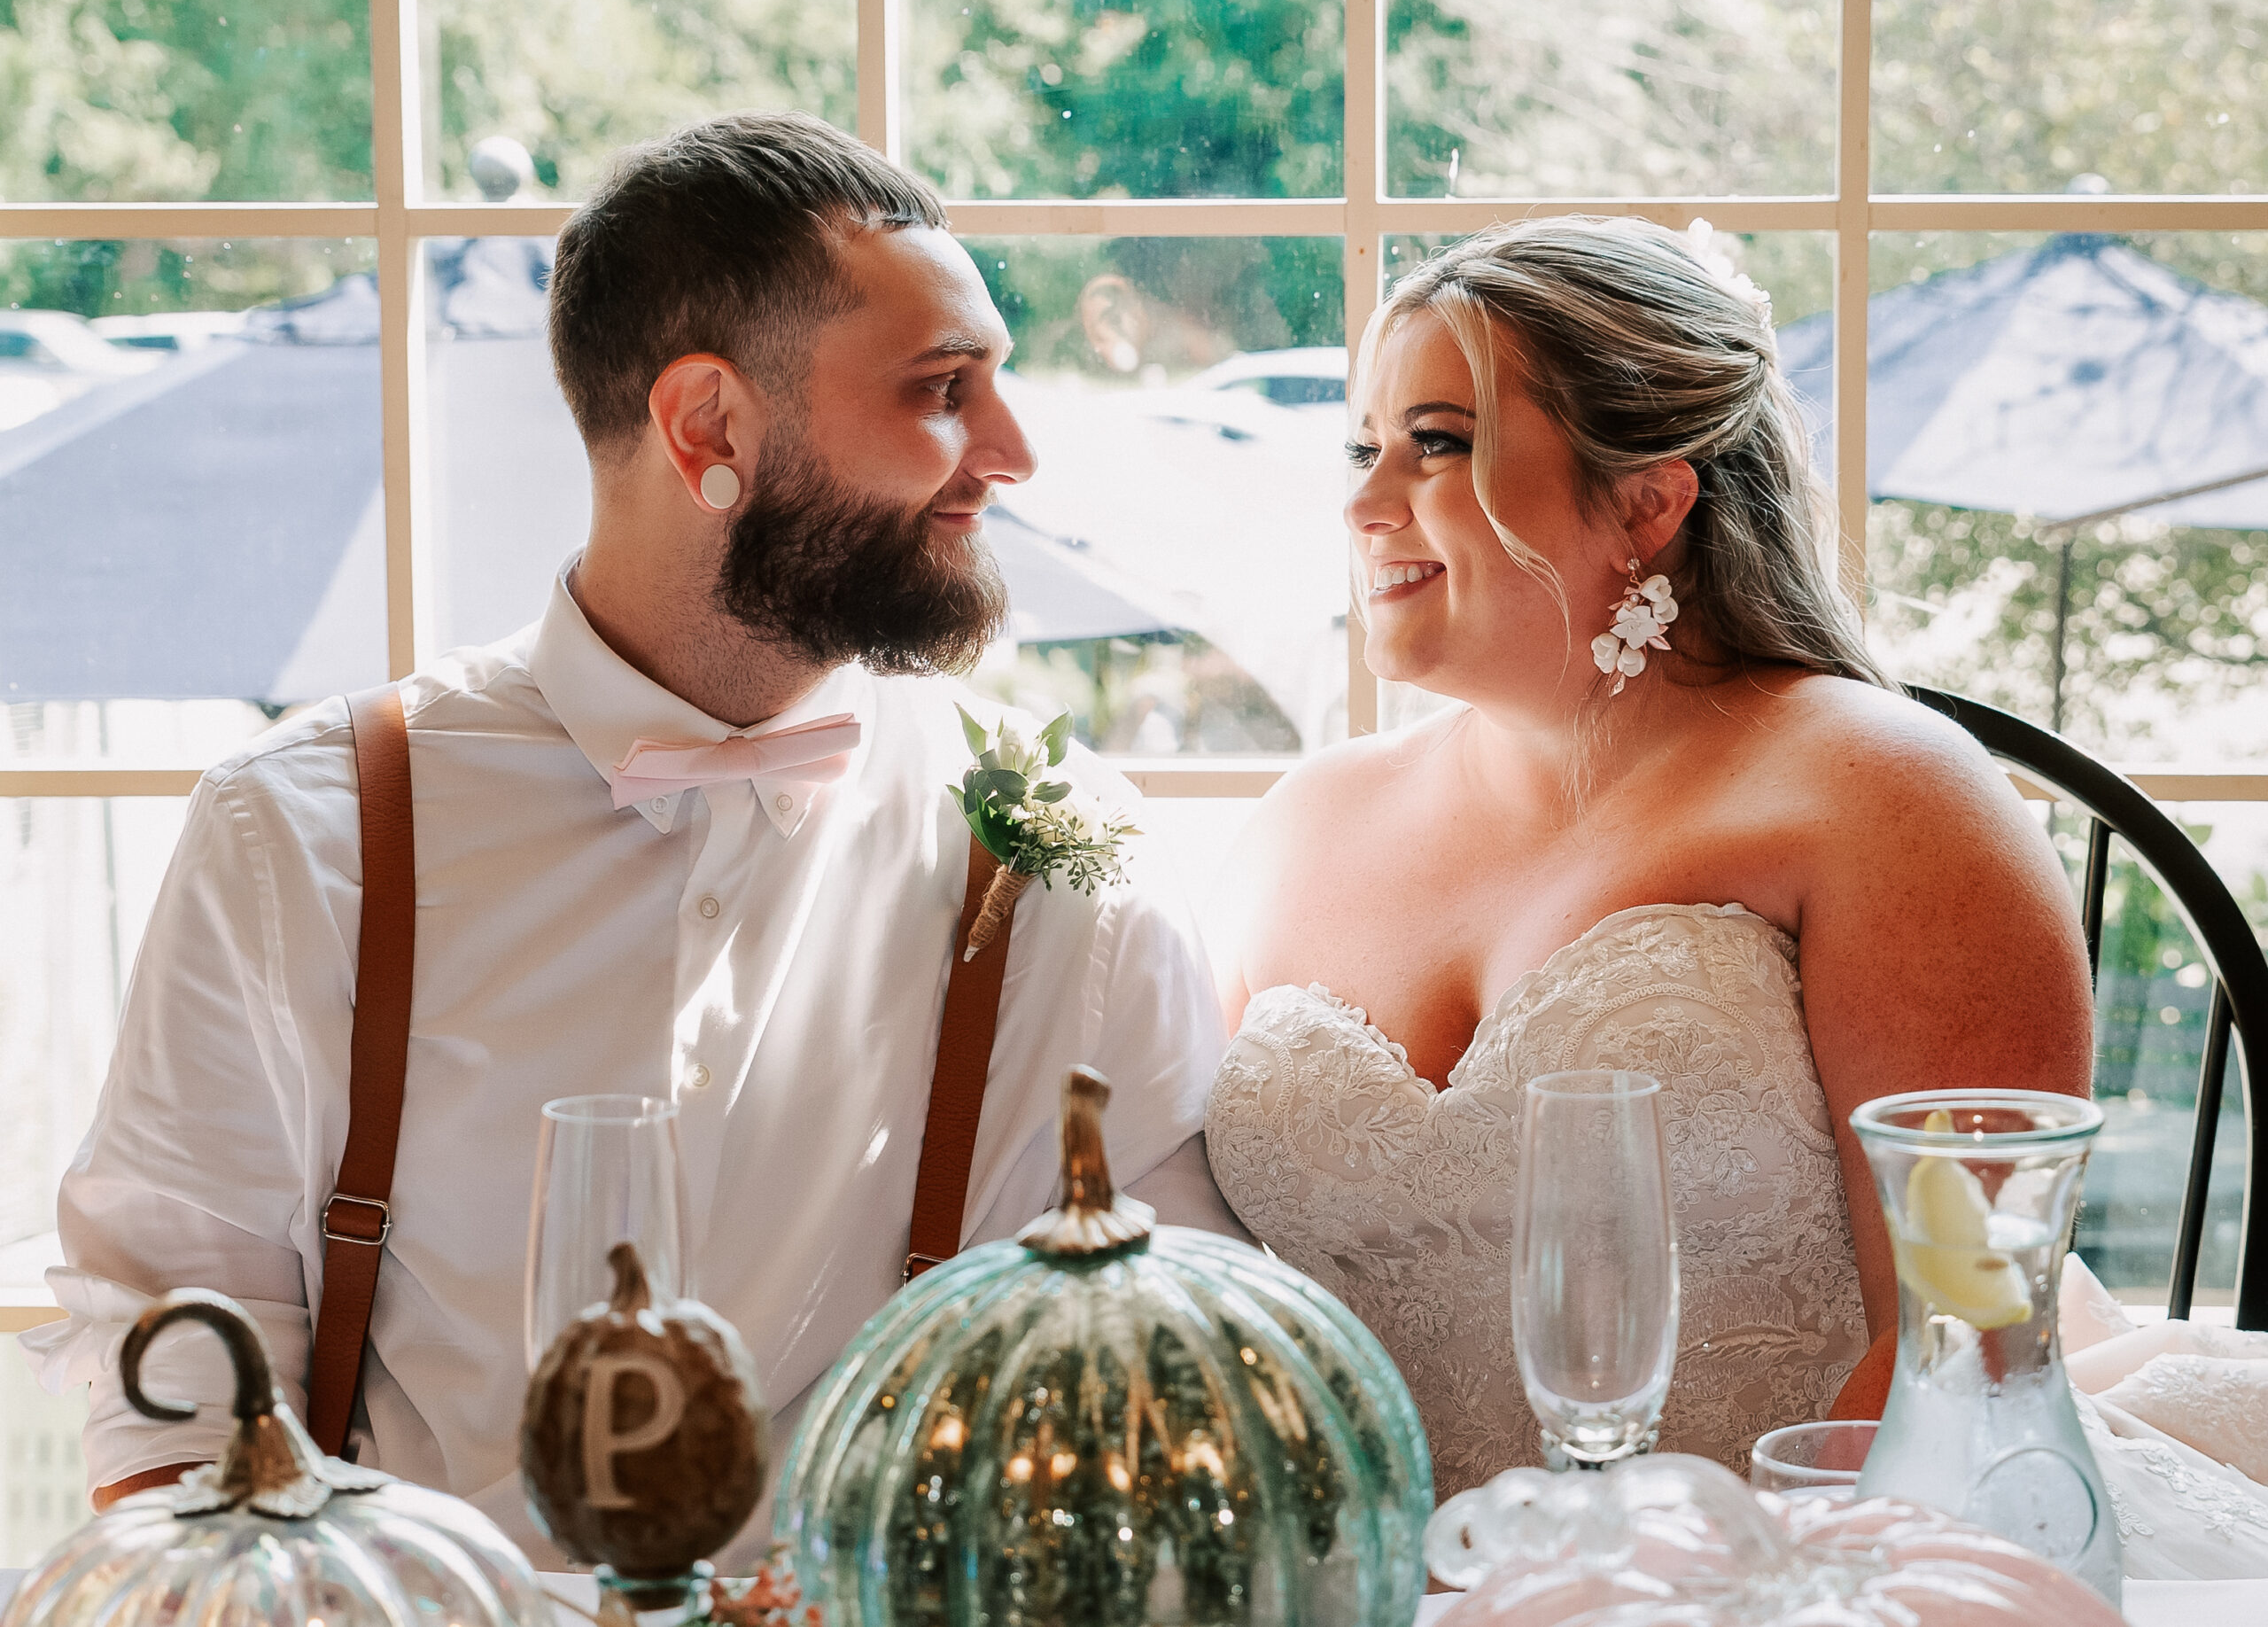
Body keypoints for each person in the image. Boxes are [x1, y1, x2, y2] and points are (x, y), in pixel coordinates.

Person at [28, 112, 1241, 1558]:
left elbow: (1178, 1358)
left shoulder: (1055, 852)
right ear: (707, 426)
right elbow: (173, 1379)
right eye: (943, 389)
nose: (1014, 449)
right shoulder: (305, 834)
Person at [1200, 216, 2095, 1497]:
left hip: (1800, 1570)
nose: (1361, 501)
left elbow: (1963, 1332)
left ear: (1648, 500)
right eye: (1363, 446)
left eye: (1437, 444)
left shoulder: (1886, 797)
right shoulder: (1297, 828)